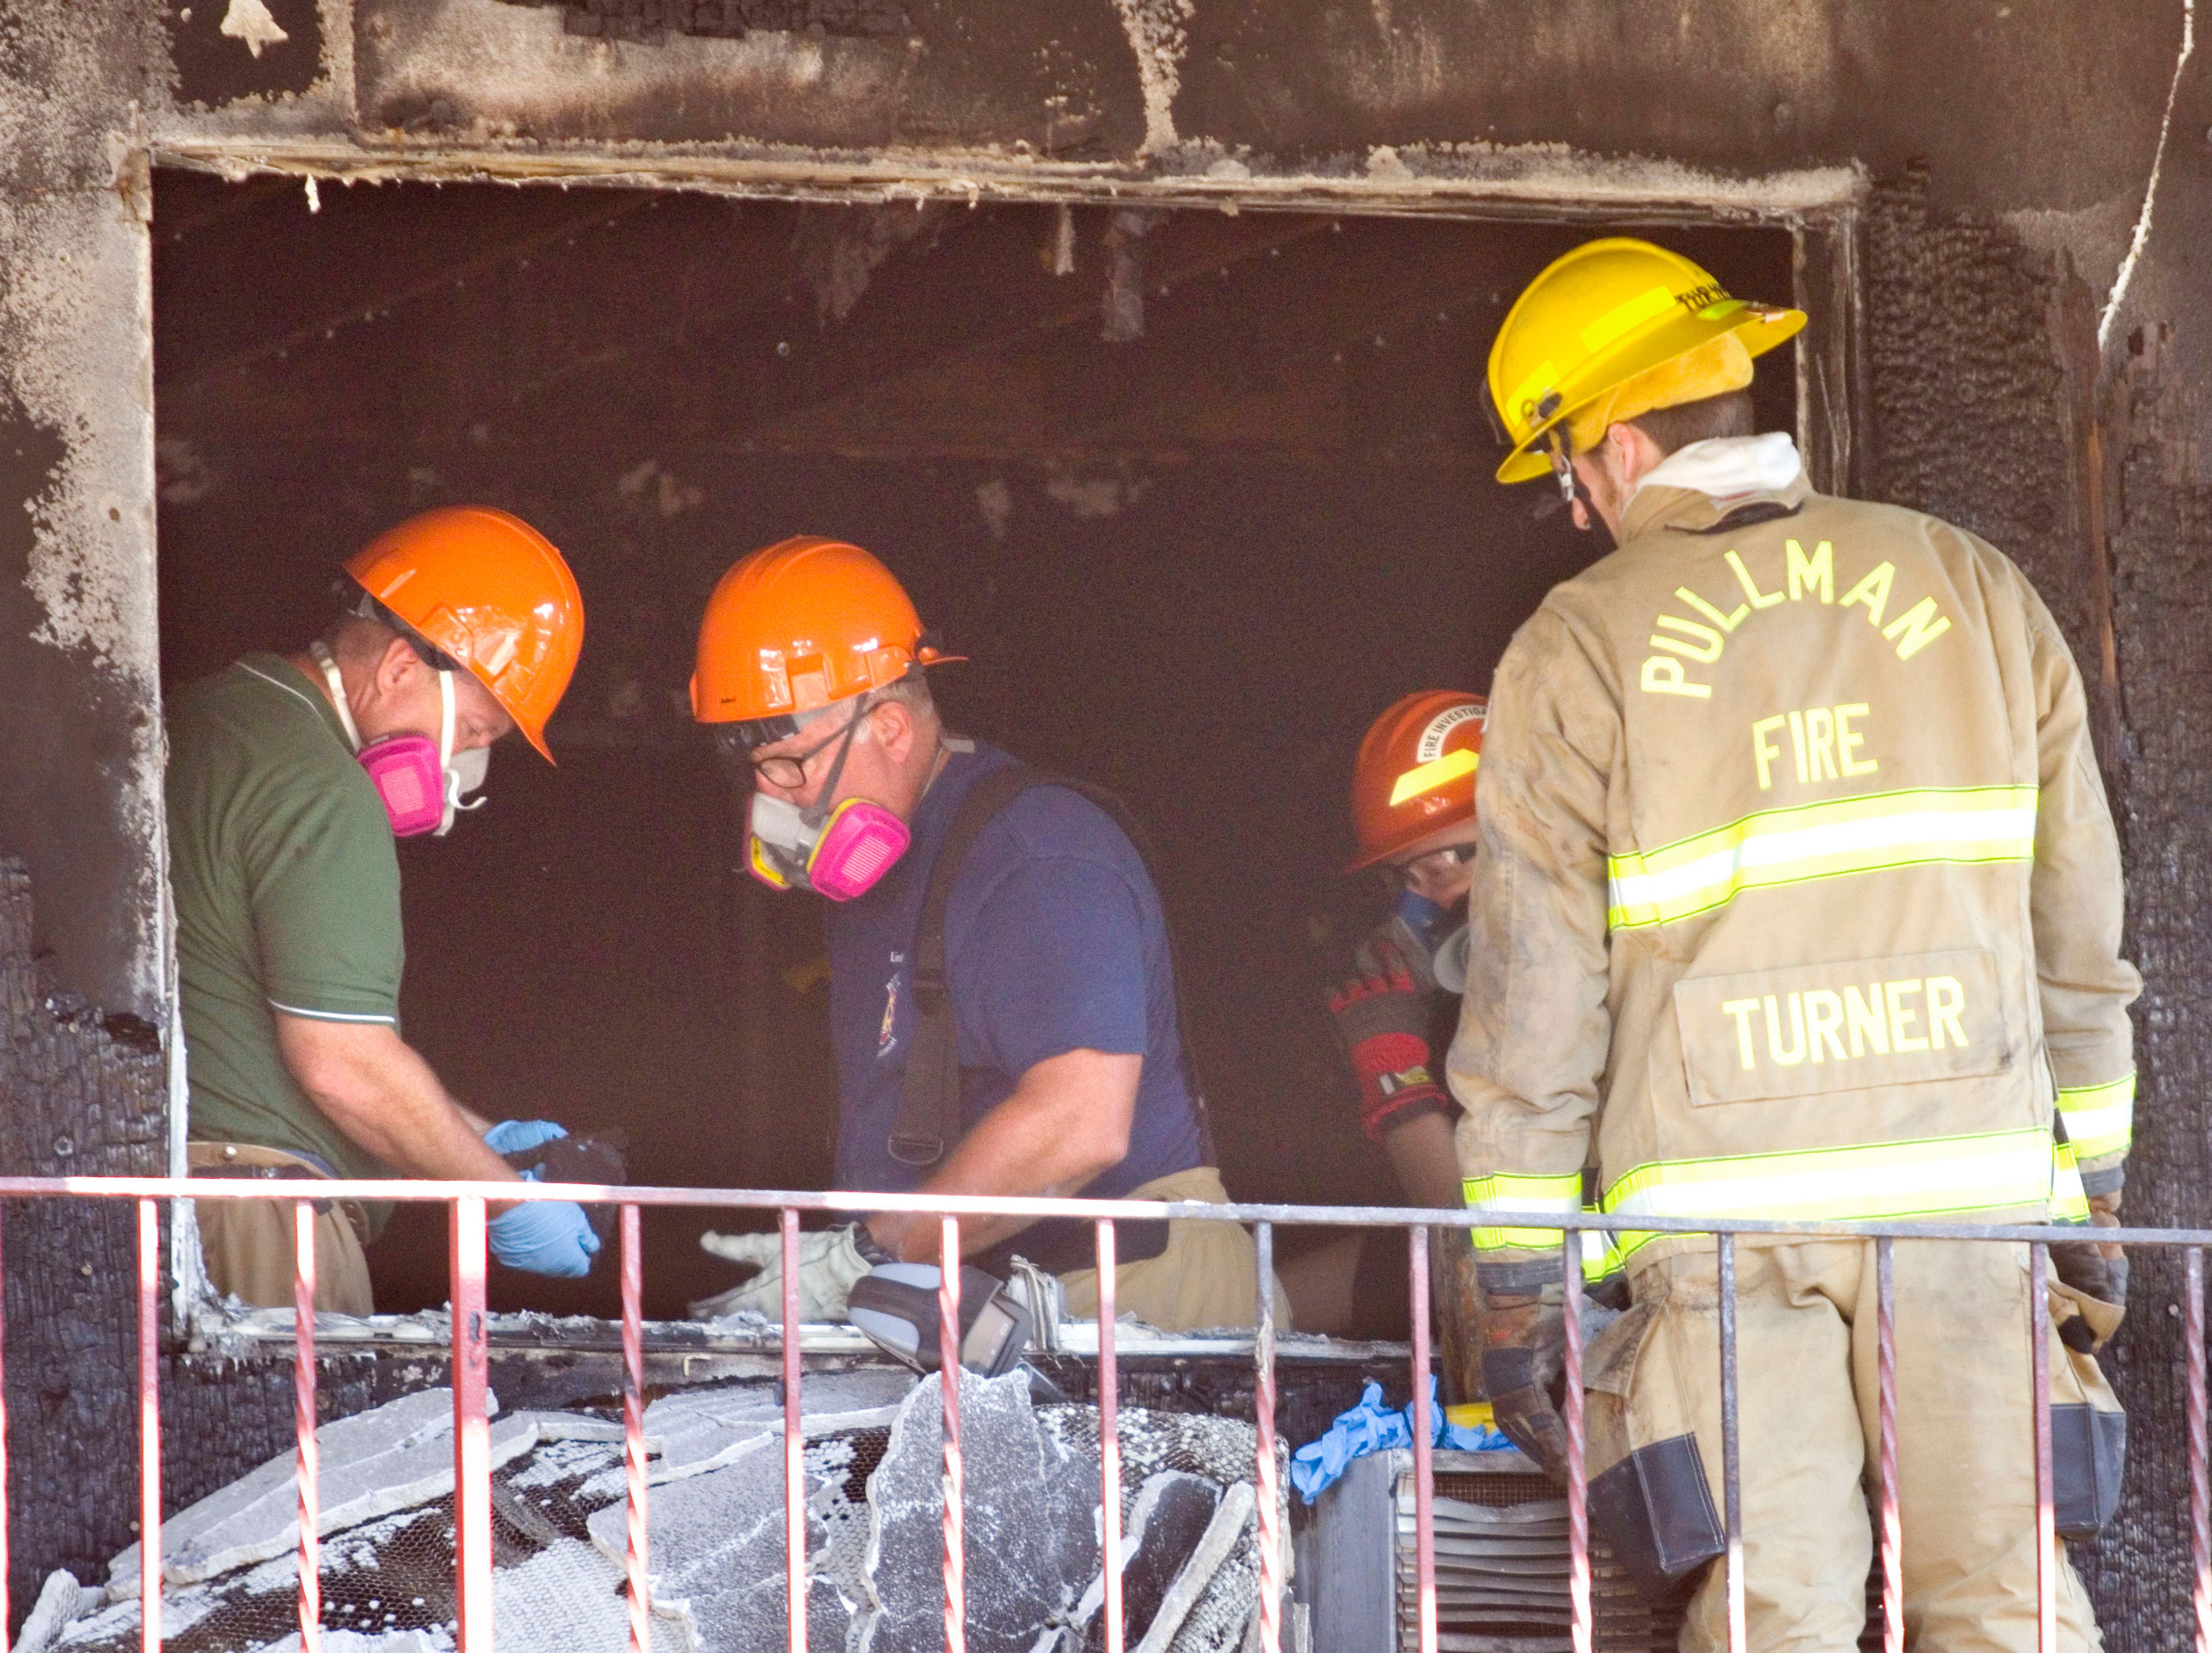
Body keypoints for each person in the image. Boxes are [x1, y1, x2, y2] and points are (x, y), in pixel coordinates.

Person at [1450, 238, 2139, 1651]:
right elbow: (2077, 932)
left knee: (1776, 1615)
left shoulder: (1577, 649)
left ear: (1621, 446)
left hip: (1721, 1242)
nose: (1579, 514)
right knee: (2010, 1608)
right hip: (1970, 1215)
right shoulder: (1973, 589)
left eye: (1571, 476)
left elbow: (1536, 1004)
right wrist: (2100, 1193)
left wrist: (1516, 1277)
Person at [687, 536, 1264, 1333]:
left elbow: (1082, 1121)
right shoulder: (886, 876)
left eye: (790, 764)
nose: (773, 796)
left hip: (1129, 1293)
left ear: (888, 725)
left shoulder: (1035, 855)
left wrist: (870, 1253)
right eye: (754, 769)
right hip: (1002, 1294)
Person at [169, 506, 604, 1315]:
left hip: (185, 1206)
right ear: (403, 668)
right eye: (475, 728)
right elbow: (343, 1059)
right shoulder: (326, 790)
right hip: (260, 1227)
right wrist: (505, 1198)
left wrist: (484, 1137)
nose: (468, 770)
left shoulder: (219, 715)